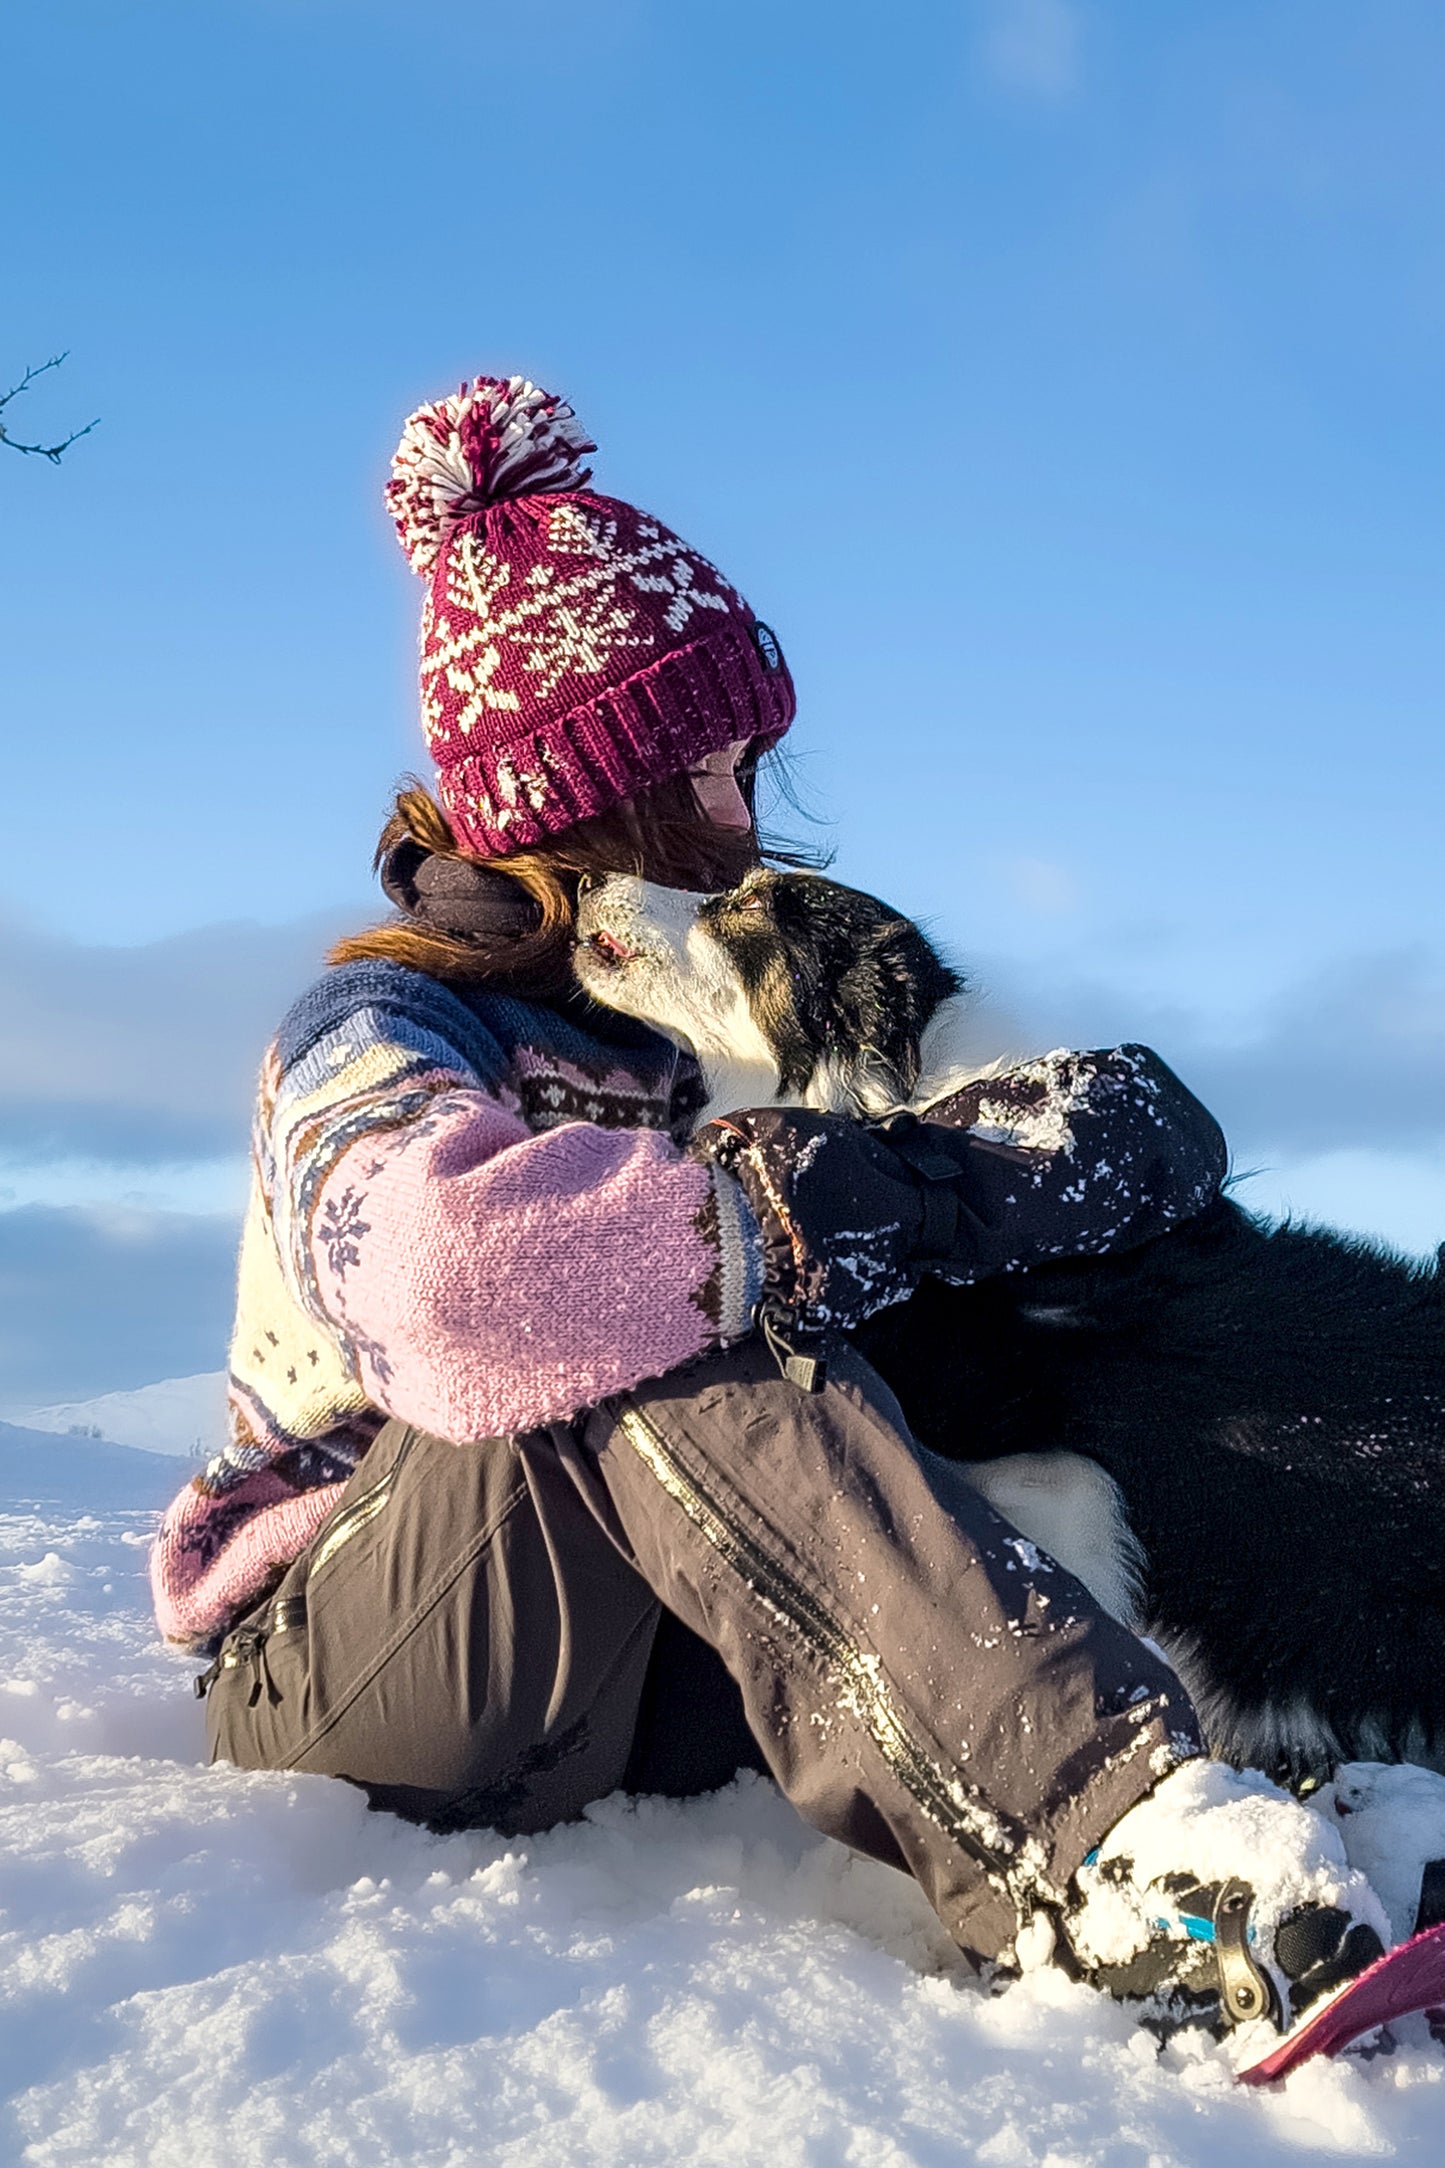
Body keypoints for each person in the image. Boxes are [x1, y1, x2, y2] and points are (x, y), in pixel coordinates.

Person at [152, 374, 1387, 2036]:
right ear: (571, 791)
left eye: (750, 765)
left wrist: (908, 1183)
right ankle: (1113, 1861)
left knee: (809, 1308)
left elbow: (1133, 1128)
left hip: (639, 1663)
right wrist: (780, 1220)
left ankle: (1264, 1816)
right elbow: (457, 1284)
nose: (744, 821)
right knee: (626, 1303)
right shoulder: (384, 1036)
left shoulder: (708, 1009)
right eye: (703, 770)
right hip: (360, 1673)